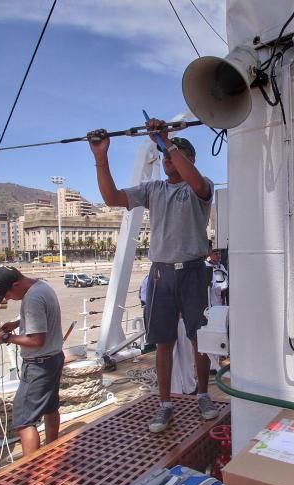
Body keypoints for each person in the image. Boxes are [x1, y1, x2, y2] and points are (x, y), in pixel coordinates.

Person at [88, 118, 218, 433]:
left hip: (192, 272)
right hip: (161, 273)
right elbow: (112, 198)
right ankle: (165, 404)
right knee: (162, 341)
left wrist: (167, 141)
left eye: (172, 155)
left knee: (199, 337)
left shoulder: (201, 187)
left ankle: (202, 394)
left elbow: (195, 180)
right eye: (164, 156)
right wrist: (101, 158)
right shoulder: (153, 189)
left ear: (188, 159)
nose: (167, 160)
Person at [0, 266, 64, 456]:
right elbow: (42, 317)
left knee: (24, 420)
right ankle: (51, 450)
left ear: (17, 284)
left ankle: (32, 469)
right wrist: (17, 324)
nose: (8, 298)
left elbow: (36, 340)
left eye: (9, 293)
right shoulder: (42, 286)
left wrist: (4, 338)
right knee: (50, 407)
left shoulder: (32, 299)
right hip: (54, 358)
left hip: (39, 365)